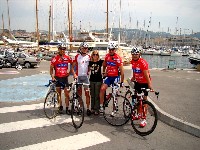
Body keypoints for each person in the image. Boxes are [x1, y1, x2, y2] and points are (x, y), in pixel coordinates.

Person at [99, 42, 124, 113]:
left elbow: (122, 71)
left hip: (116, 77)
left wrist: (121, 82)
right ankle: (101, 106)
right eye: (110, 49)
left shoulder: (118, 58)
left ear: (115, 50)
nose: (111, 51)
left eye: (112, 50)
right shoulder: (107, 56)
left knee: (114, 94)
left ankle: (114, 109)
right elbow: (104, 65)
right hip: (109, 77)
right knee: (102, 89)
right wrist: (103, 72)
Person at [130, 47, 152, 127]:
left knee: (144, 100)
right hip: (138, 82)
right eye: (133, 54)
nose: (135, 55)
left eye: (136, 54)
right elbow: (134, 70)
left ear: (139, 54)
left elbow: (147, 75)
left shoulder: (143, 63)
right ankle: (138, 114)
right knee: (138, 99)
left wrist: (150, 85)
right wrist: (133, 78)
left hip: (145, 83)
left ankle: (144, 118)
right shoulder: (132, 61)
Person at [50, 45, 72, 114]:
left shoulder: (67, 57)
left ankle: (67, 108)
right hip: (58, 78)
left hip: (65, 78)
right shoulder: (55, 58)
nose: (62, 50)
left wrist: (70, 72)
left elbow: (73, 64)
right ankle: (60, 106)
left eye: (64, 49)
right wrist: (52, 77)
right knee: (58, 93)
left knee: (67, 94)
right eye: (61, 49)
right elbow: (51, 69)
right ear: (58, 49)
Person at [71, 42, 91, 116]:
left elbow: (90, 66)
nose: (85, 49)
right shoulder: (77, 56)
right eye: (83, 48)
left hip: (85, 77)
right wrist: (74, 74)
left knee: (87, 93)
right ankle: (81, 107)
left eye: (86, 48)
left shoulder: (89, 57)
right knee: (79, 94)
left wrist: (88, 71)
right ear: (81, 48)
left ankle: (88, 108)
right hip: (79, 77)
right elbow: (72, 68)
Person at [89, 50, 104, 115]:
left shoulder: (100, 62)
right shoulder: (90, 62)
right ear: (92, 55)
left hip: (98, 80)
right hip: (91, 80)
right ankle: (92, 108)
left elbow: (107, 63)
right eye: (94, 54)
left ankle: (96, 109)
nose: (95, 56)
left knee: (97, 95)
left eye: (96, 54)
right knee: (92, 95)